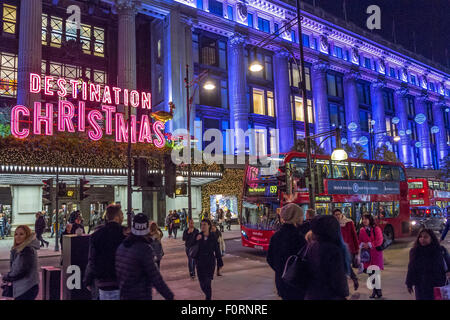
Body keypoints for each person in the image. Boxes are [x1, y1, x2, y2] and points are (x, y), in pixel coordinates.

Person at [115, 213, 174, 300]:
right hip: (140, 296)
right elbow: (155, 277)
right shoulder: (144, 249)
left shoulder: (122, 246)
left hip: (124, 295)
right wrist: (170, 296)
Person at [84, 204, 126, 300]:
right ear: (116, 217)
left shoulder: (96, 235)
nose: (123, 217)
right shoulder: (125, 234)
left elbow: (92, 260)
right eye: (121, 215)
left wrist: (88, 279)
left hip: (104, 282)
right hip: (122, 281)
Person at [304, 215, 350, 300]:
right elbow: (338, 279)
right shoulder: (333, 250)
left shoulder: (311, 246)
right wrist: (344, 293)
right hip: (330, 295)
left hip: (312, 294)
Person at [267, 203, 307, 300]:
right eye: (301, 215)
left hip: (281, 281)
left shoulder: (276, 236)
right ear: (296, 217)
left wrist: (281, 270)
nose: (303, 218)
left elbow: (269, 259)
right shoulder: (298, 237)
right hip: (297, 282)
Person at [406, 228, 450, 300]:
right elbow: (411, 268)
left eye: (425, 237)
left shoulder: (440, 250)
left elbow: (448, 263)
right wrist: (409, 283)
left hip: (437, 284)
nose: (422, 239)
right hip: (421, 285)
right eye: (420, 237)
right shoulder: (414, 251)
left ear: (431, 238)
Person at [1, 225, 40, 300]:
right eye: (16, 234)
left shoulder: (27, 250)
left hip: (27, 288)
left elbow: (22, 271)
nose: (18, 236)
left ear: (27, 236)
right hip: (23, 287)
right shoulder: (20, 250)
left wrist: (8, 277)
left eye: (21, 234)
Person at [193, 219, 224, 300]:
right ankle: (207, 295)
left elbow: (217, 250)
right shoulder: (198, 235)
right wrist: (196, 240)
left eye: (204, 224)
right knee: (202, 284)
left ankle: (208, 298)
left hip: (210, 262)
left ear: (209, 226)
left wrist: (220, 262)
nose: (202, 226)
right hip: (200, 263)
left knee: (207, 282)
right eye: (201, 224)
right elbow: (190, 245)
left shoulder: (213, 236)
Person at [358, 214, 384, 299]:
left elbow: (379, 241)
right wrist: (362, 245)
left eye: (366, 219)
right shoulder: (362, 230)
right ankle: (376, 291)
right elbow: (360, 240)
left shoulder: (376, 229)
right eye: (363, 219)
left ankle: (376, 291)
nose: (364, 220)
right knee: (370, 273)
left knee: (375, 273)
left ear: (370, 220)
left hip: (375, 254)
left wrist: (369, 245)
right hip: (367, 256)